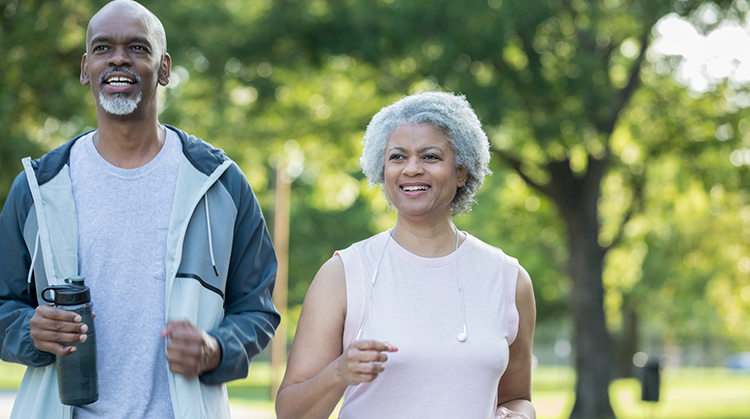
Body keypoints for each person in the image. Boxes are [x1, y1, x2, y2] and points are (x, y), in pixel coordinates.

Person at [0, 1, 279, 418]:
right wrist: (30, 331)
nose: (118, 58)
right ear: (85, 69)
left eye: (137, 47)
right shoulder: (38, 188)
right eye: (102, 48)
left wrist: (217, 348)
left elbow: (256, 308)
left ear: (164, 69)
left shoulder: (220, 183)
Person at [275, 91, 536, 419]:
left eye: (430, 157)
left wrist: (521, 415)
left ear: (461, 171)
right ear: (382, 170)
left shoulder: (508, 278)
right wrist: (339, 372)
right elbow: (290, 413)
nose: (411, 169)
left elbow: (517, 398)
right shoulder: (344, 273)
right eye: (397, 157)